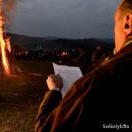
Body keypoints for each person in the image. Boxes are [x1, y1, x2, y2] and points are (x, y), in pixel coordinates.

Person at [35, 0, 132, 131]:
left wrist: (54, 91)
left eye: (115, 24)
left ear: (127, 23)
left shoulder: (93, 84)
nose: (114, 34)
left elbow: (46, 129)